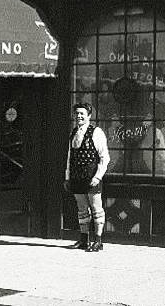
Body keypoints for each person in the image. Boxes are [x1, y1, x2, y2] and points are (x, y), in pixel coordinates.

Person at [64, 101, 109, 252]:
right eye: (77, 113)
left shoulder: (96, 132)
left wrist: (98, 177)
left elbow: (105, 157)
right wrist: (67, 177)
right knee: (82, 209)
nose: (79, 116)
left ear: (89, 115)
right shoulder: (73, 133)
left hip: (92, 176)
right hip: (77, 177)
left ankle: (98, 241)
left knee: (96, 209)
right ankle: (84, 240)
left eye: (82, 113)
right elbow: (70, 158)